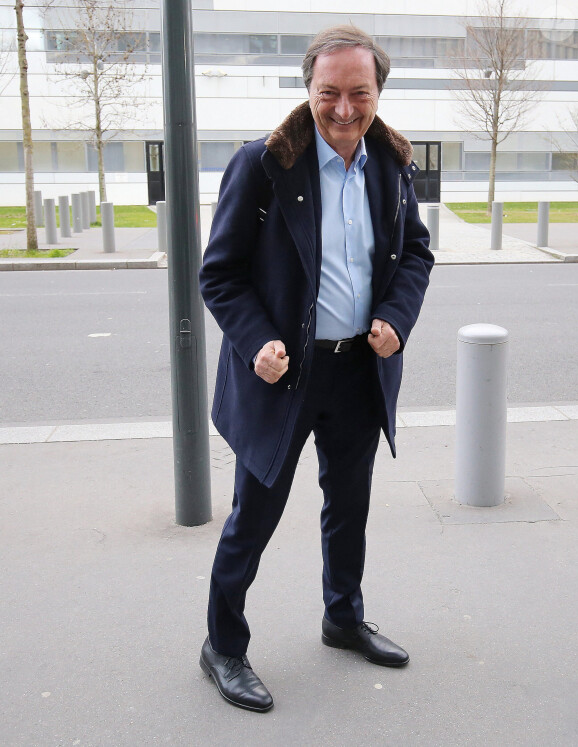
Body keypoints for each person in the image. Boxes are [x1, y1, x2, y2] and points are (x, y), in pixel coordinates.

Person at [198, 25, 433, 712]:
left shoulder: (390, 163)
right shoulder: (265, 163)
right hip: (283, 375)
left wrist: (396, 315)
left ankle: (342, 616)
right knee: (255, 515)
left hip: (359, 368)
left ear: (377, 93)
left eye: (359, 92)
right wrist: (258, 340)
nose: (342, 107)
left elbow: (415, 253)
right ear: (309, 90)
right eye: (328, 92)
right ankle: (223, 644)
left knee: (348, 507)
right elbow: (221, 275)